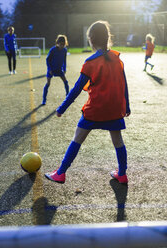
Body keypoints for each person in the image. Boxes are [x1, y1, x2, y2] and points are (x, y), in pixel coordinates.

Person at [44, 20, 131, 184]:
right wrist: (127, 106)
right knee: (118, 141)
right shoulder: (117, 59)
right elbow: (124, 84)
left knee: (77, 139)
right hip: (114, 110)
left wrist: (62, 108)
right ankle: (122, 174)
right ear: (107, 37)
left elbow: (76, 89)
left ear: (90, 39)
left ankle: (61, 173)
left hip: (95, 111)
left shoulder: (90, 63)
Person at [42, 35, 69, 105]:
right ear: (58, 43)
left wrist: (64, 68)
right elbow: (47, 60)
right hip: (52, 70)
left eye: (64, 44)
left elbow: (64, 60)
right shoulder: (53, 50)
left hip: (59, 69)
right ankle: (44, 99)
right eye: (61, 44)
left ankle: (68, 96)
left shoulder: (64, 50)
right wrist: (49, 69)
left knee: (66, 82)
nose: (62, 46)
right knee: (48, 83)